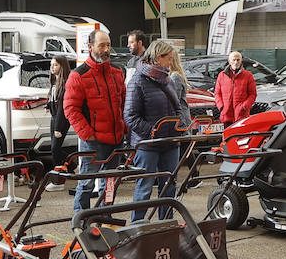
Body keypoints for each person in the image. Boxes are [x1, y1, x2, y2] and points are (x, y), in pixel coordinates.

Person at [124, 38, 191, 222]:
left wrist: (178, 126)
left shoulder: (167, 79)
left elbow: (177, 107)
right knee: (144, 186)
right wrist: (153, 131)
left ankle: (165, 224)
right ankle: (137, 226)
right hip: (148, 145)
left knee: (169, 185)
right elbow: (130, 116)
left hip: (170, 143)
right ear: (158, 57)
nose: (171, 63)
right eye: (168, 58)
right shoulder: (137, 81)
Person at [63, 30, 128, 212]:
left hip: (115, 139)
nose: (106, 49)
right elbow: (70, 109)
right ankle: (80, 220)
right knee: (86, 184)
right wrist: (88, 134)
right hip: (93, 141)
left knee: (110, 183)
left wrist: (124, 126)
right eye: (101, 45)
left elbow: (123, 102)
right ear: (90, 47)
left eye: (108, 45)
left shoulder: (116, 72)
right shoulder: (78, 75)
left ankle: (105, 216)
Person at [44, 55, 72, 186]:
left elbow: (62, 107)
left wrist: (58, 128)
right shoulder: (54, 81)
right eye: (51, 65)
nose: (52, 67)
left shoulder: (65, 83)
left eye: (55, 65)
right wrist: (47, 106)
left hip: (61, 119)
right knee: (54, 148)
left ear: (62, 66)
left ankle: (58, 180)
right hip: (54, 117)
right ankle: (72, 165)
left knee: (55, 148)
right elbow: (52, 100)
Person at [214, 50, 257, 124]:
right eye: (234, 60)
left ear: (241, 61)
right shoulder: (222, 75)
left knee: (241, 135)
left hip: (241, 116)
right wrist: (221, 107)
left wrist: (243, 107)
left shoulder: (248, 76)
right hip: (226, 116)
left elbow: (253, 94)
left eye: (238, 60)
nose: (236, 62)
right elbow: (217, 93)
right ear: (229, 61)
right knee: (226, 135)